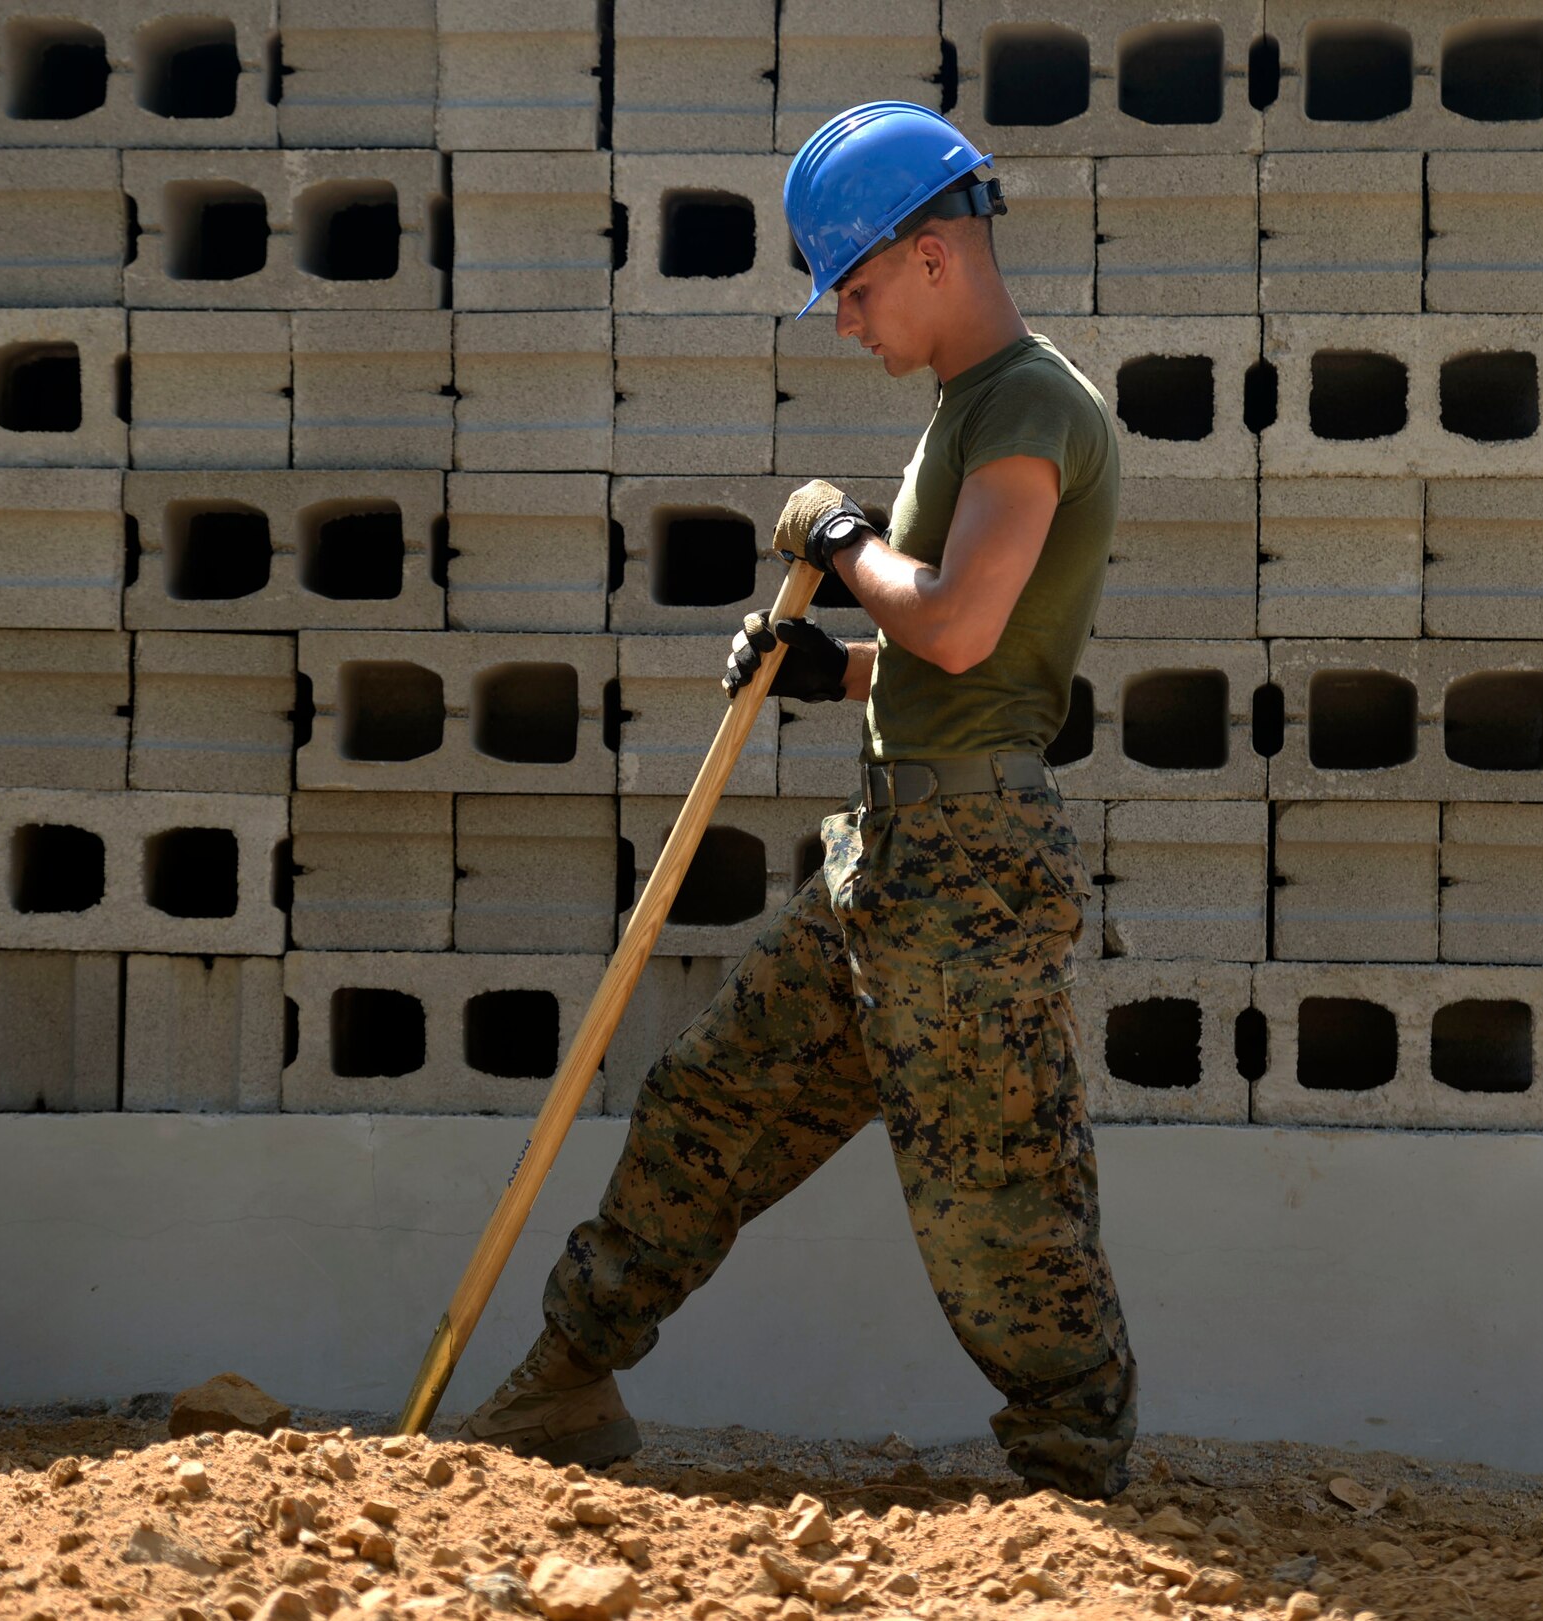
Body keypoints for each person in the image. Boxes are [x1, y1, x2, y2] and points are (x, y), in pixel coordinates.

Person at [459, 102, 1137, 1500]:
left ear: (936, 252)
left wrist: (844, 538)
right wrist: (831, 671)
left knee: (995, 1198)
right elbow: (956, 655)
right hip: (892, 849)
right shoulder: (970, 409)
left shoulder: (1033, 407)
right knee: (711, 1101)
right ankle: (568, 1376)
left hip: (970, 865)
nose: (844, 322)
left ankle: (1077, 1473)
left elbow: (958, 626)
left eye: (857, 286)